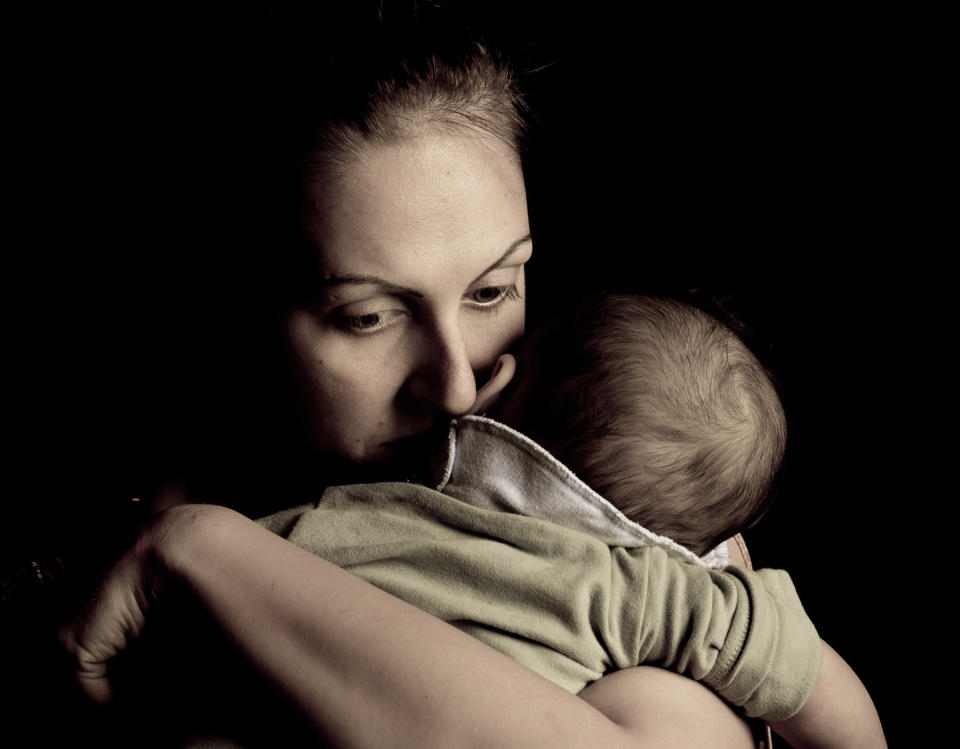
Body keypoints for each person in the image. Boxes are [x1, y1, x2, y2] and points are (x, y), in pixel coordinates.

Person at [58, 4, 886, 748]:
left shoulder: (636, 553)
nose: (456, 386)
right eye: (368, 316)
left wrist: (205, 552)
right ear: (237, 299)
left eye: (492, 290)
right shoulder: (91, 576)